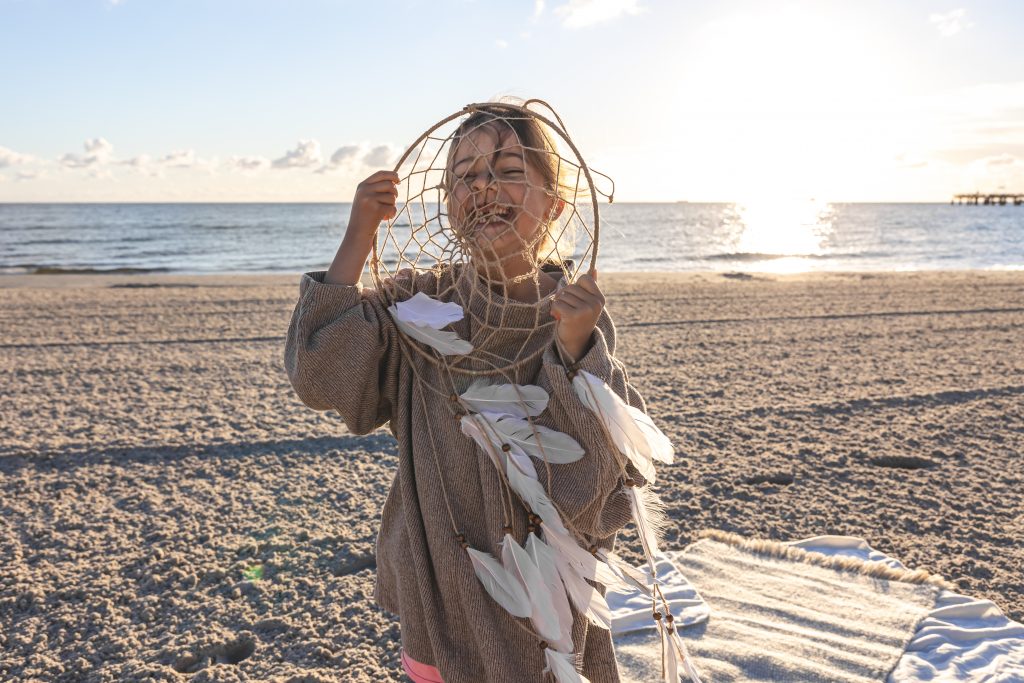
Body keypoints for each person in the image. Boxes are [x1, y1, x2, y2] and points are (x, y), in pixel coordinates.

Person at [285, 103, 648, 682]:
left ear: (554, 203)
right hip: (442, 604)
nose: (483, 186)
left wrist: (576, 351)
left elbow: (604, 488)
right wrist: (357, 237)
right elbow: (317, 372)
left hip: (550, 605)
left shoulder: (573, 316)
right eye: (465, 175)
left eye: (507, 170)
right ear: (448, 203)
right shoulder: (415, 309)